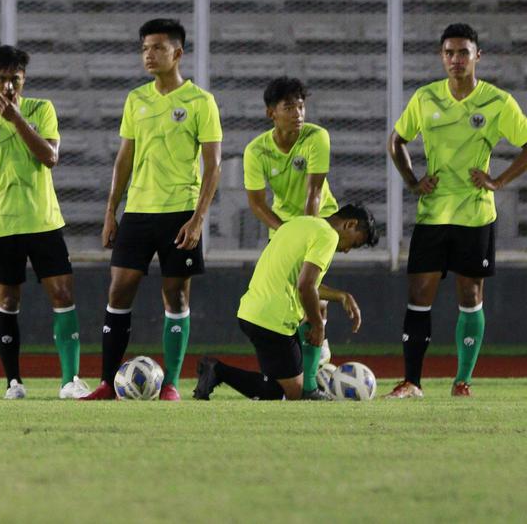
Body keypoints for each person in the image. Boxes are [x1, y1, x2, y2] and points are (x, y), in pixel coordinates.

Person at [81, 19, 221, 401]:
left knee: (175, 297)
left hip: (180, 213)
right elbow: (124, 159)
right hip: (138, 212)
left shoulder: (200, 102)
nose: (149, 54)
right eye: (144, 48)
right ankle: (109, 383)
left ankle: (171, 383)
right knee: (119, 290)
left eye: (157, 47)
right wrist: (112, 210)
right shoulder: (135, 99)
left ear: (178, 53)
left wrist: (198, 219)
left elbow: (214, 165)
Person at [386, 23, 527, 398]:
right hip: (432, 214)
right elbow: (396, 141)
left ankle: (462, 381)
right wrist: (413, 181)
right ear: (441, 56)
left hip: (475, 215)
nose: (456, 59)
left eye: (463, 52)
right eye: (449, 52)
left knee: (470, 296)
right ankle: (411, 381)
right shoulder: (425, 98)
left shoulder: (497, 102)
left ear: (477, 56)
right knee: (418, 295)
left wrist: (498, 181)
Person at [0, 44, 89, 400]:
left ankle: (69, 381)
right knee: (7, 302)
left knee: (63, 296)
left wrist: (16, 119)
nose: (8, 88)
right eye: (2, 79)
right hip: (3, 227)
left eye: (15, 80)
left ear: (24, 80)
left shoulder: (41, 110)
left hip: (44, 222)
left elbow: (50, 157)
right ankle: (13, 382)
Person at [243, 76, 357, 397]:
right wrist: (287, 233)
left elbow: (314, 192)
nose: (298, 113)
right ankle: (297, 371)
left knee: (314, 300)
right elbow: (256, 202)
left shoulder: (316, 137)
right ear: (271, 113)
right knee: (288, 304)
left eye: (301, 105)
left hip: (317, 221)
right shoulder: (256, 150)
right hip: (280, 229)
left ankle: (308, 383)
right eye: (289, 106)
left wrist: (304, 232)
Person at [193, 206, 377, 401]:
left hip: (252, 311)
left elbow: (305, 282)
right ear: (350, 224)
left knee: (274, 388)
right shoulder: (328, 236)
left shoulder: (300, 223)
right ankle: (218, 370)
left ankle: (218, 371)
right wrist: (317, 326)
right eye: (354, 243)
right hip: (274, 320)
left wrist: (341, 296)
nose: (347, 250)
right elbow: (305, 286)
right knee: (292, 393)